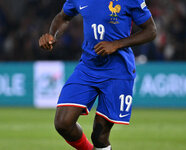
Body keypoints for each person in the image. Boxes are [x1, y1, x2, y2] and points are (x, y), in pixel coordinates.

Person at [39, 0, 156, 149]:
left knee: (99, 136)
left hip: (117, 71)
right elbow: (63, 17)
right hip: (88, 66)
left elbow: (151, 30)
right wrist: (52, 35)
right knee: (63, 123)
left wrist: (116, 44)